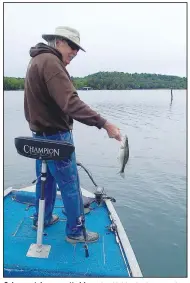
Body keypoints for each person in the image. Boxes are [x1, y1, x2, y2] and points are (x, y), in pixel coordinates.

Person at [24, 26, 122, 244]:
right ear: (58, 41)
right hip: (56, 137)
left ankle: (43, 218)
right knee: (69, 184)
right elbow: (71, 103)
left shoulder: (37, 60)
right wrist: (104, 124)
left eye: (78, 48)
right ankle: (76, 231)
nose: (75, 52)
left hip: (38, 135)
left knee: (45, 180)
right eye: (72, 46)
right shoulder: (52, 63)